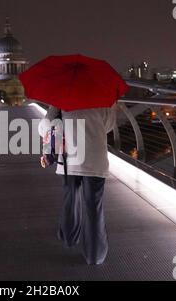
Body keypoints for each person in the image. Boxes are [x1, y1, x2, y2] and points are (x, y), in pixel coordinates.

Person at [38, 104, 117, 265]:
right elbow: (108, 125)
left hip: (70, 158)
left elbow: (46, 124)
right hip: (96, 158)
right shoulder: (104, 95)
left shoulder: (63, 93)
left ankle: (69, 237)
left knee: (70, 198)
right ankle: (95, 255)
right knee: (94, 207)